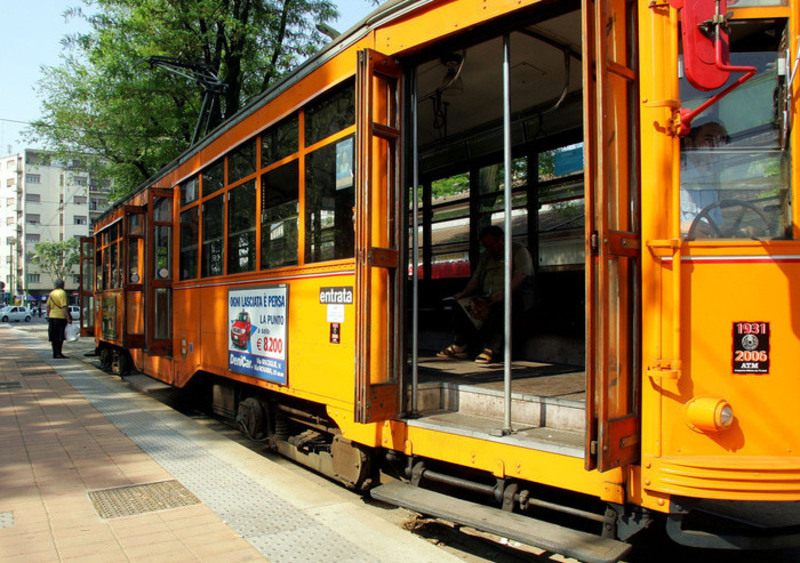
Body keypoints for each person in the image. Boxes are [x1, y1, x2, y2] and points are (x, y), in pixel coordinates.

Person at [437, 225, 534, 364]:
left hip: (515, 297)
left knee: (501, 307)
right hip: (488, 297)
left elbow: (522, 274)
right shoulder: (486, 256)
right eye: (486, 247)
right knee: (460, 305)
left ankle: (492, 349)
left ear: (502, 239)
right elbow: (476, 278)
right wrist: (463, 294)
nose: (489, 250)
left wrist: (504, 293)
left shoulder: (518, 250)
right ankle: (461, 345)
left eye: (491, 245)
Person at [680, 120, 729, 236]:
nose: (716, 146)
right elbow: (648, 221)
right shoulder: (671, 177)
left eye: (721, 140)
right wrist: (683, 227)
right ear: (689, 143)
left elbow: (717, 225)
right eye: (708, 140)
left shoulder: (709, 184)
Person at [46, 279, 72, 359]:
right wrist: (68, 318)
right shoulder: (62, 293)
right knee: (60, 336)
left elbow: (47, 306)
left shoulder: (52, 293)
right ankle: (59, 353)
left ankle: (54, 353)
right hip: (60, 317)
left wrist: (49, 314)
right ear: (63, 285)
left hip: (52, 317)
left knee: (53, 336)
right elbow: (64, 307)